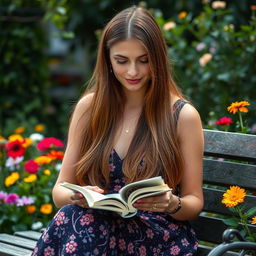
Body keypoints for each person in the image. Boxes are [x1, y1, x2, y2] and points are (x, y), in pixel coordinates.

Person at [32, 6, 204, 256]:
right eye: (122, 61)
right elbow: (59, 191)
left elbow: (194, 202)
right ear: (107, 60)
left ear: (158, 59)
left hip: (155, 236)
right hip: (96, 229)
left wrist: (172, 203)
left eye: (143, 61)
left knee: (82, 227)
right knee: (75, 216)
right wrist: (77, 196)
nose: (133, 72)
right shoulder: (90, 108)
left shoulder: (182, 116)